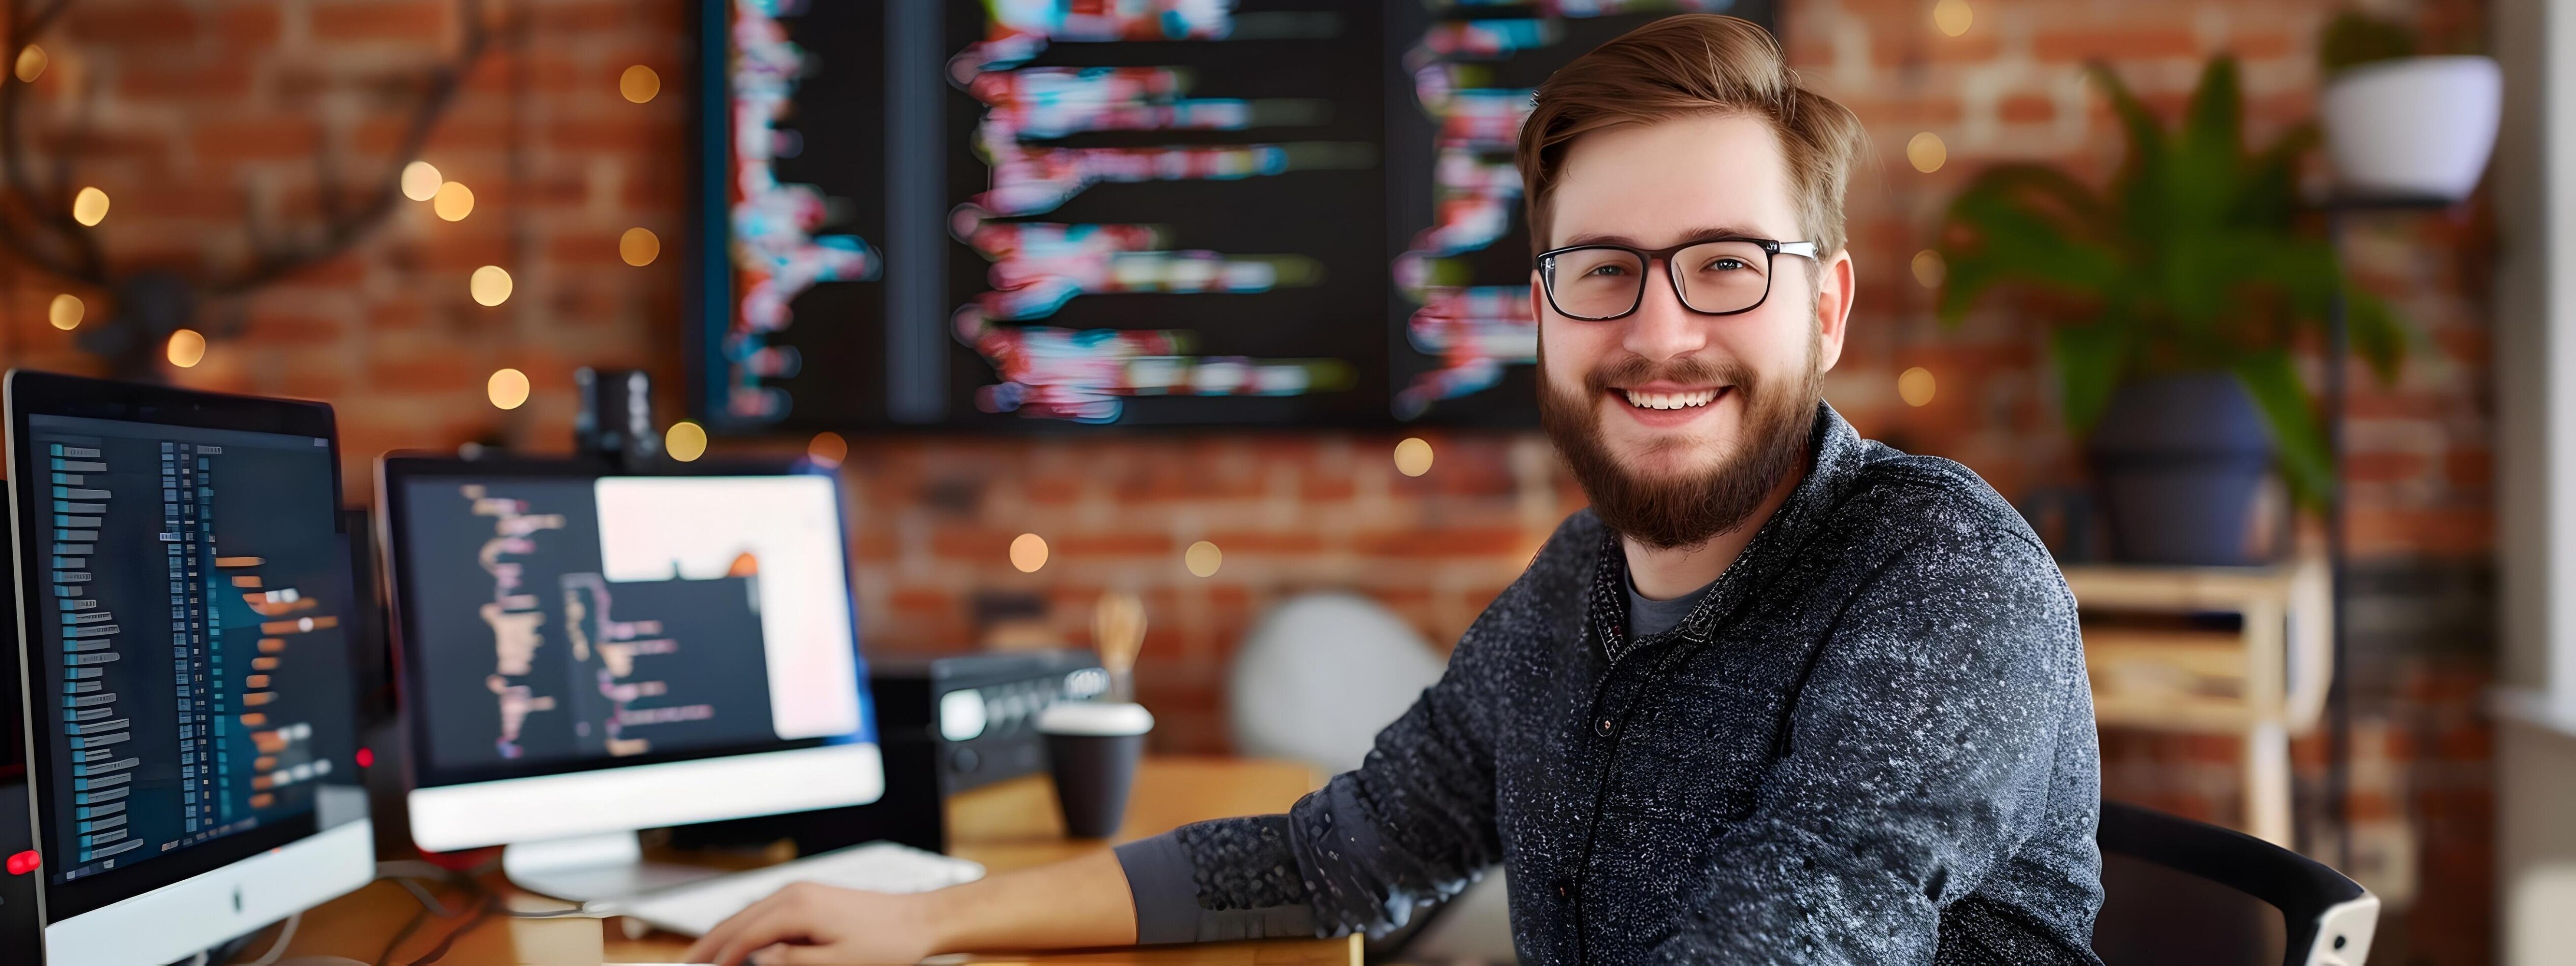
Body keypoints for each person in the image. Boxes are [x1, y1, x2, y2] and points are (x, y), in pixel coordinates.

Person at [690, 14, 2102, 965]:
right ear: (1543, 311)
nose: (1661, 331)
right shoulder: (1575, 591)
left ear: (1829, 310)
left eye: (1728, 263)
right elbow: (1335, 855)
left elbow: (1787, 940)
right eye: (1603, 269)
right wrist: (931, 923)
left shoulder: (1941, 575)